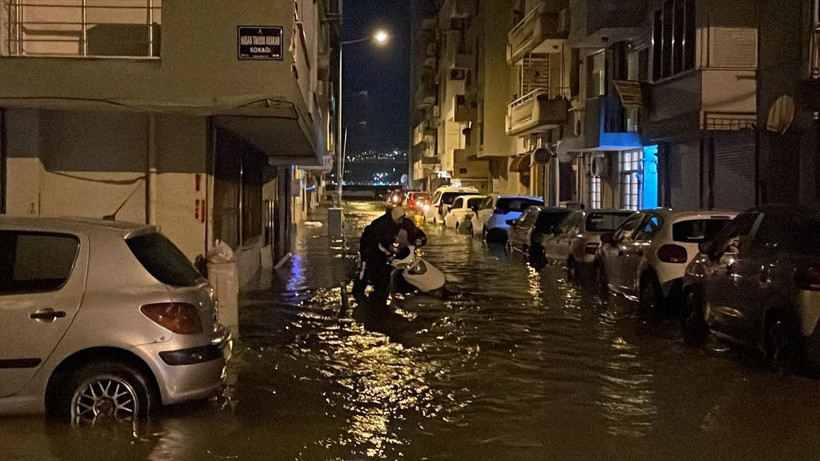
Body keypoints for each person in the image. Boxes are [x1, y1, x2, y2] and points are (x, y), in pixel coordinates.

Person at [352, 206, 426, 309]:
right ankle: (359, 294)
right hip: (370, 247)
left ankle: (381, 296)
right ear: (394, 218)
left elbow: (414, 231)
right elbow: (377, 243)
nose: (401, 221)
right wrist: (388, 252)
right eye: (399, 219)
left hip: (385, 248)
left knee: (385, 273)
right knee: (367, 270)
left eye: (402, 219)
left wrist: (420, 239)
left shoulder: (404, 222)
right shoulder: (380, 225)